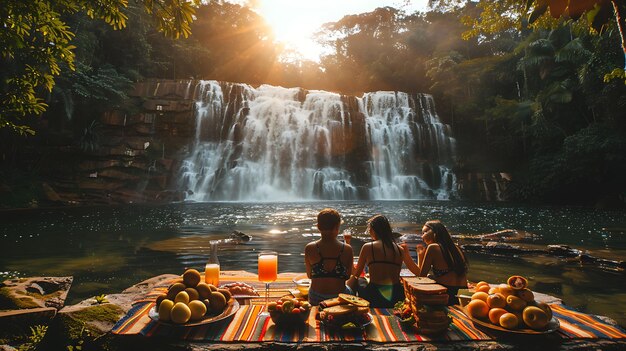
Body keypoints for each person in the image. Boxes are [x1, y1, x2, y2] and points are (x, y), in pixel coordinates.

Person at [347, 215, 421, 308]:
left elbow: (356, 274)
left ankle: (350, 305)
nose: (369, 232)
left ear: (374, 230)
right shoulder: (400, 249)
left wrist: (348, 250)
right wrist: (421, 255)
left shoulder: (368, 247)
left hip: (373, 296)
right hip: (396, 296)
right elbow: (418, 272)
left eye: (369, 230)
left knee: (359, 280)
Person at [403, 220, 468, 305]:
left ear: (435, 232)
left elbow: (421, 276)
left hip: (447, 294)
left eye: (424, 232)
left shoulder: (433, 247)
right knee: (430, 277)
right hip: (463, 294)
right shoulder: (456, 248)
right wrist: (421, 256)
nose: (422, 237)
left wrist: (406, 255)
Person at [305, 208, 354, 305]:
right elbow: (348, 276)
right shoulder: (347, 249)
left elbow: (309, 275)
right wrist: (347, 243)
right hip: (339, 299)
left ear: (318, 227)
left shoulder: (309, 248)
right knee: (353, 286)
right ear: (337, 227)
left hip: (316, 299)